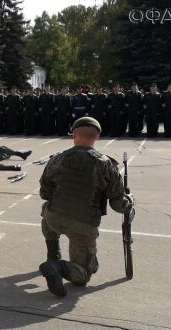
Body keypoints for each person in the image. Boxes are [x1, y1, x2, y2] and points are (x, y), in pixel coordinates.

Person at [38, 117, 134, 297]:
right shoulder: (105, 164)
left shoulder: (56, 159)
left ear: (74, 134)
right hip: (82, 225)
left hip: (54, 219)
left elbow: (44, 193)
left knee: (46, 209)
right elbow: (117, 204)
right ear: (97, 136)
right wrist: (129, 203)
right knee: (83, 276)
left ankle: (53, 254)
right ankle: (58, 266)